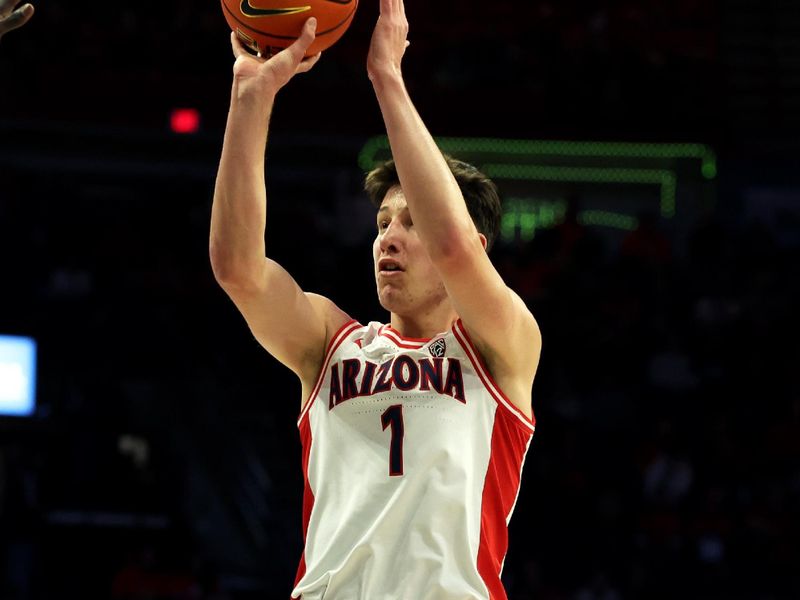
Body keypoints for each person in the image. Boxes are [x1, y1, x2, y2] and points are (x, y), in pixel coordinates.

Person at [210, 1, 542, 598]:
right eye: (383, 222)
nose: (389, 236)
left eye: (410, 222)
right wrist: (250, 98)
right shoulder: (332, 343)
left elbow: (456, 249)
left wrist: (387, 77)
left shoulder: (501, 347)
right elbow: (238, 269)